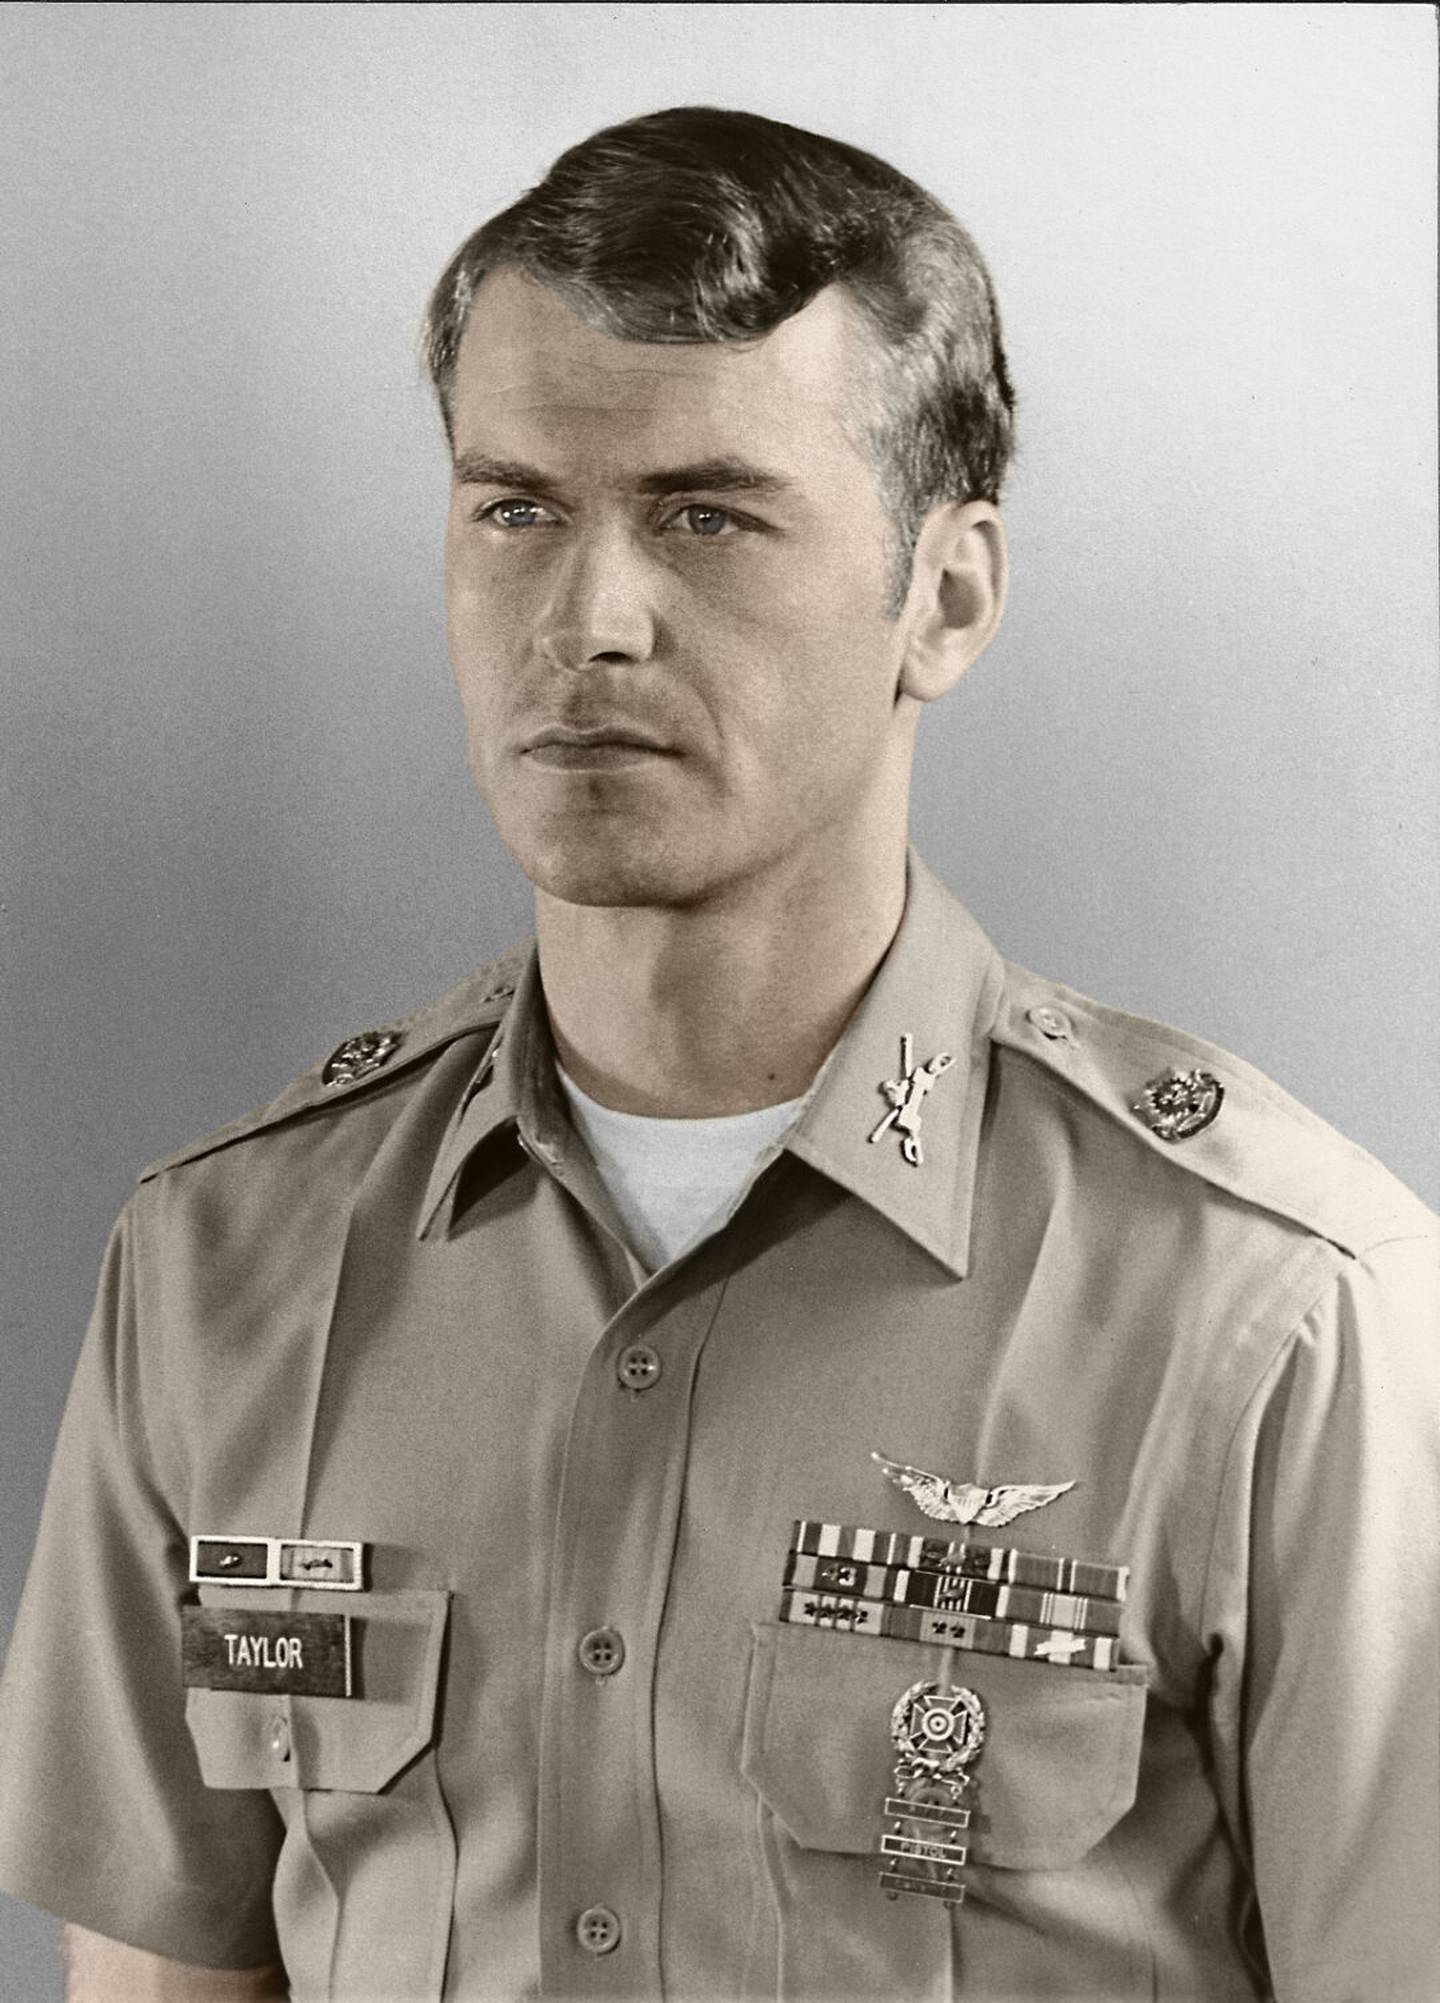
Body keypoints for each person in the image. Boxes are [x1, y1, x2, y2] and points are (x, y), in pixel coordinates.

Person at [0, 104, 1435, 2003]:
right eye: (517, 509)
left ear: (946, 597)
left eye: (709, 515)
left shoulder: (1270, 1307)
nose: (589, 623)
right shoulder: (223, 1266)